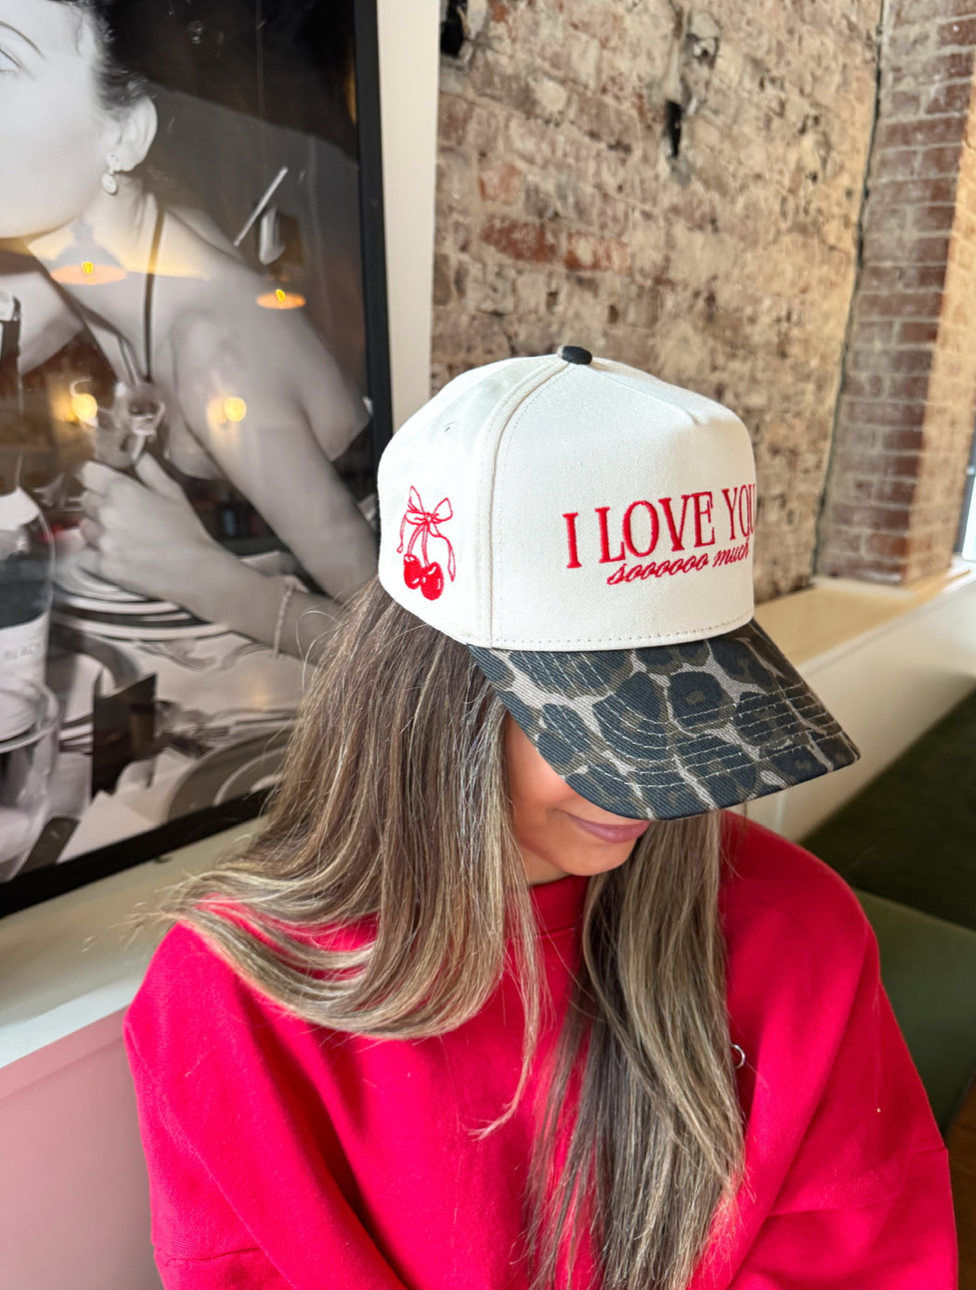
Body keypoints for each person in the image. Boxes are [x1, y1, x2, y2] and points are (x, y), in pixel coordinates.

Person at [124, 350, 958, 1289]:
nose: (649, 791)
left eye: (695, 713)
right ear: (429, 698)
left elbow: (869, 1252)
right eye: (597, 724)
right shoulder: (231, 1000)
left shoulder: (801, 930)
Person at [0, 0, 377, 656]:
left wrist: (199, 575)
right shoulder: (91, 257)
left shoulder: (220, 355)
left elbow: (404, 649)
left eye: (3, 63)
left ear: (124, 136)